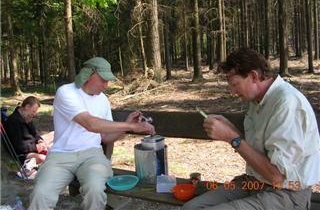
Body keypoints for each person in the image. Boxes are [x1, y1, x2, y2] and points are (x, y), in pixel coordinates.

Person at [183, 49, 320, 210]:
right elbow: (261, 153)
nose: (232, 91)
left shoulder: (286, 103)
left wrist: (233, 138)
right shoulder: (257, 101)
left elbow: (277, 177)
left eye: (235, 84)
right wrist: (231, 129)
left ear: (254, 76)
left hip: (286, 192)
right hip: (253, 182)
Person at [29, 57, 155, 210]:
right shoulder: (66, 92)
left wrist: (127, 127)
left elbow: (106, 137)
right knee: (41, 193)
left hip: (92, 155)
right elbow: (90, 123)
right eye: (103, 80)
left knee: (95, 191)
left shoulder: (103, 100)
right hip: (61, 155)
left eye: (108, 81)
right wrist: (131, 126)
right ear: (88, 75)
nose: (106, 85)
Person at [5, 96, 49, 165]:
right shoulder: (13, 121)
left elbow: (35, 133)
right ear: (27, 107)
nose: (34, 114)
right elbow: (19, 146)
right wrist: (36, 147)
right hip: (23, 154)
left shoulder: (26, 117)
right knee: (44, 159)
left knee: (53, 137)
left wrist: (40, 140)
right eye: (33, 111)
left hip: (33, 146)